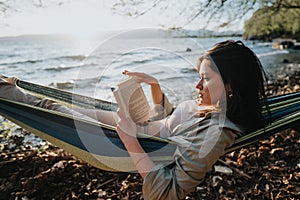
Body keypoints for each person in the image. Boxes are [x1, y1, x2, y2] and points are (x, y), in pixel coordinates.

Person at [115, 40, 270, 199]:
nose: (198, 86)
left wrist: (130, 141)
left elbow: (166, 193)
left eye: (206, 78)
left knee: (88, 118)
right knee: (90, 110)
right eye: (199, 77)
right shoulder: (213, 105)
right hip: (137, 125)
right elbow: (168, 118)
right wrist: (155, 85)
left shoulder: (216, 132)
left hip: (127, 135)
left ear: (230, 85)